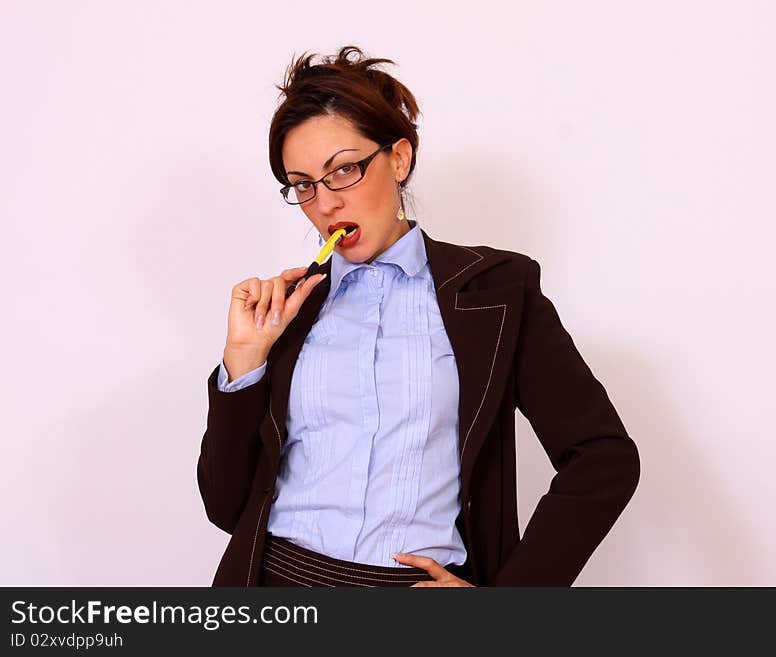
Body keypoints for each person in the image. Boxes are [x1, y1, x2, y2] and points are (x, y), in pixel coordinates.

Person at [197, 45, 640, 587]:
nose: (326, 203)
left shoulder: (495, 292)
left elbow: (603, 458)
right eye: (304, 184)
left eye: (345, 170)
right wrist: (244, 363)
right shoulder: (289, 311)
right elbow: (226, 507)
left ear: (399, 159)